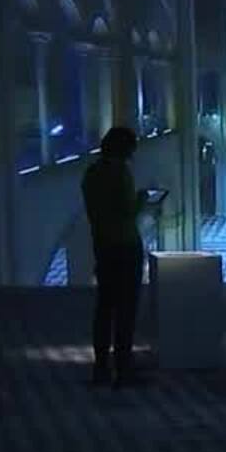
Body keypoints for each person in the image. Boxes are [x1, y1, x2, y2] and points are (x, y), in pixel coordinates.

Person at [81, 126, 147, 386]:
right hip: (126, 247)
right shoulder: (120, 173)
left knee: (104, 308)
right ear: (126, 149)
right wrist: (142, 200)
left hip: (103, 246)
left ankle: (100, 367)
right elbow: (127, 211)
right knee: (126, 310)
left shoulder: (92, 173)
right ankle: (123, 367)